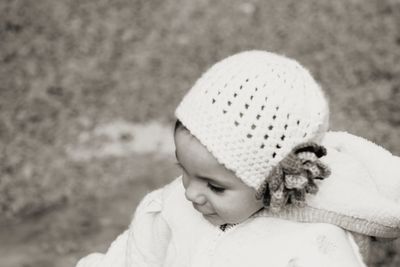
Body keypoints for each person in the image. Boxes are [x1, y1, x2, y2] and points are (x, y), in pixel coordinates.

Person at [76, 51, 400, 267]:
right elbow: (135, 256)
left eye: (215, 187)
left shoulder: (315, 246)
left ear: (278, 183)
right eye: (184, 171)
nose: (190, 192)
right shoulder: (170, 207)